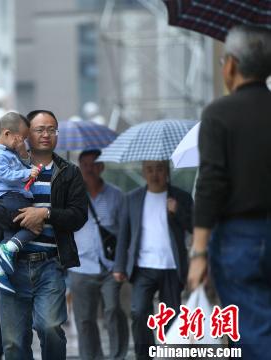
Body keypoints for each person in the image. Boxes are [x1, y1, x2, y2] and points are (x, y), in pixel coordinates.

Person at [188, 25, 271, 359]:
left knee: (252, 330)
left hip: (241, 238)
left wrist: (199, 253)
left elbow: (211, 184)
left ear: (232, 65)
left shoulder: (219, 114)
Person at [0, 109, 88, 360]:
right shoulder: (8, 164)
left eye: (51, 129)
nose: (46, 134)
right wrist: (22, 219)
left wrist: (45, 214)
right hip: (11, 268)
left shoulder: (68, 172)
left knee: (49, 328)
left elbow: (78, 215)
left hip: (49, 264)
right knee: (13, 344)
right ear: (26, 134)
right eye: (40, 129)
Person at [113, 161, 193, 360]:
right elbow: (124, 235)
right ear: (143, 171)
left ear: (167, 171)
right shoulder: (132, 198)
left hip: (172, 268)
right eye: (149, 169)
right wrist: (119, 266)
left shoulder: (181, 197)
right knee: (139, 312)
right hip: (143, 268)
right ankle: (144, 355)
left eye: (159, 169)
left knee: (172, 318)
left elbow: (195, 227)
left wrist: (178, 211)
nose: (154, 174)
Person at [69, 149, 128, 360]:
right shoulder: (72, 196)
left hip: (111, 267)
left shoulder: (117, 195)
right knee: (84, 320)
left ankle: (117, 355)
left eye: (94, 164)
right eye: (84, 164)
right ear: (79, 168)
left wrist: (122, 265)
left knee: (113, 311)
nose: (89, 168)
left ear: (101, 167)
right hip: (81, 266)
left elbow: (125, 232)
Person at [0, 111, 40, 293]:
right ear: (7, 133)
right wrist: (26, 173)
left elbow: (18, 167)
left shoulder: (8, 151)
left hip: (12, 196)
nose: (22, 142)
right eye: (20, 138)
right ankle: (8, 249)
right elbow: (6, 176)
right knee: (34, 226)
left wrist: (28, 166)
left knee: (10, 232)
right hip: (9, 197)